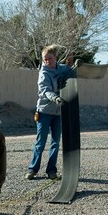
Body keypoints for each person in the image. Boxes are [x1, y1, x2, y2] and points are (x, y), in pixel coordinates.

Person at [26, 44, 73, 180]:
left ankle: (51, 170)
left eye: (49, 58)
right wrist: (55, 98)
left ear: (55, 58)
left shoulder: (62, 69)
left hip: (58, 113)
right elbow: (45, 90)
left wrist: (75, 65)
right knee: (40, 142)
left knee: (55, 142)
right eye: (44, 59)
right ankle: (33, 169)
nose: (47, 61)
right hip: (44, 111)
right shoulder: (44, 73)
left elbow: (71, 71)